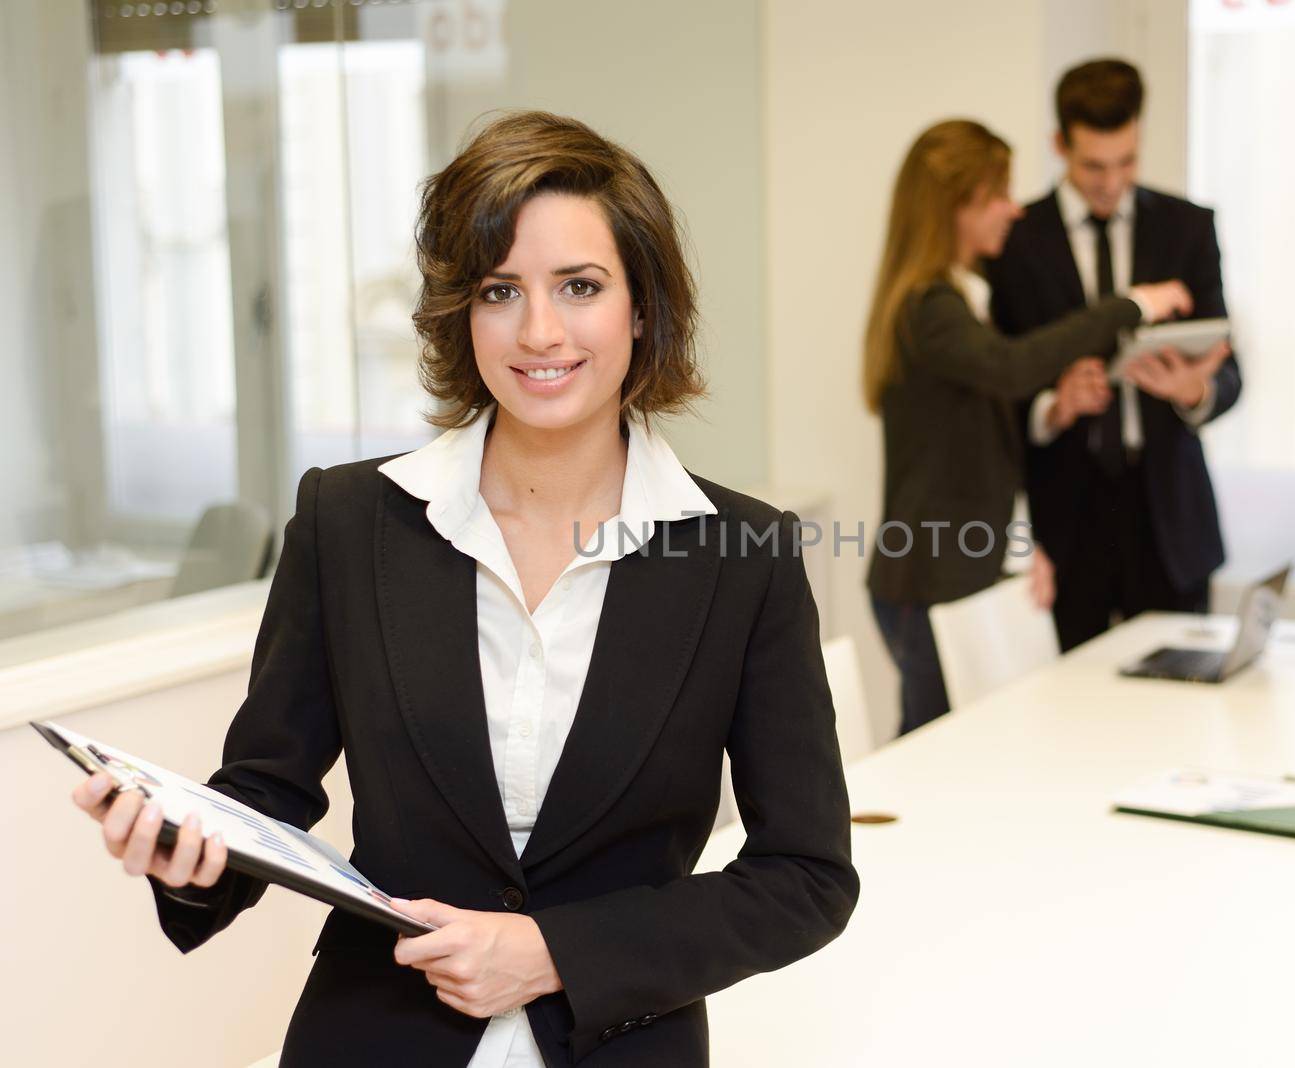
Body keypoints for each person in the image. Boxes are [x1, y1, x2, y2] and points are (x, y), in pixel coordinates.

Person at [68, 110, 858, 1067]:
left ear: (642, 308)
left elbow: (805, 877)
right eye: (499, 290)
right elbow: (264, 790)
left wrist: (556, 953)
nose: (540, 331)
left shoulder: (743, 555)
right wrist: (188, 861)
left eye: (580, 286)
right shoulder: (349, 520)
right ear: (459, 312)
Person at [863, 118, 1190, 736]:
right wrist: (1134, 304)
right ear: (955, 209)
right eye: (997, 197)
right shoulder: (930, 308)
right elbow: (1013, 369)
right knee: (928, 759)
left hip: (953, 568)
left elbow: (981, 455)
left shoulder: (959, 300)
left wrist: (1017, 547)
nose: (1013, 211)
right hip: (929, 576)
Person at [988, 59, 1239, 653]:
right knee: (1071, 717)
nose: (1110, 182)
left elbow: (1229, 369)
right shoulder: (1014, 243)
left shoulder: (1187, 229)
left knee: (1182, 706)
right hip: (1065, 522)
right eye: (1093, 165)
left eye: (1126, 161)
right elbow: (1000, 386)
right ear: (1059, 145)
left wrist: (1194, 391)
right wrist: (1053, 407)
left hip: (1169, 519)